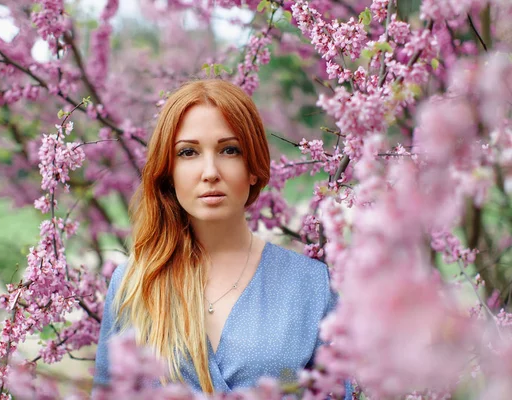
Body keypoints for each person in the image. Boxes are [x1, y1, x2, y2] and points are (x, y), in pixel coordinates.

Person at [92, 79, 351, 398]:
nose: (210, 171)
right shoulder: (133, 285)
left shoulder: (312, 286)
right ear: (168, 172)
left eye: (229, 150)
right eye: (188, 152)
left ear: (253, 167)